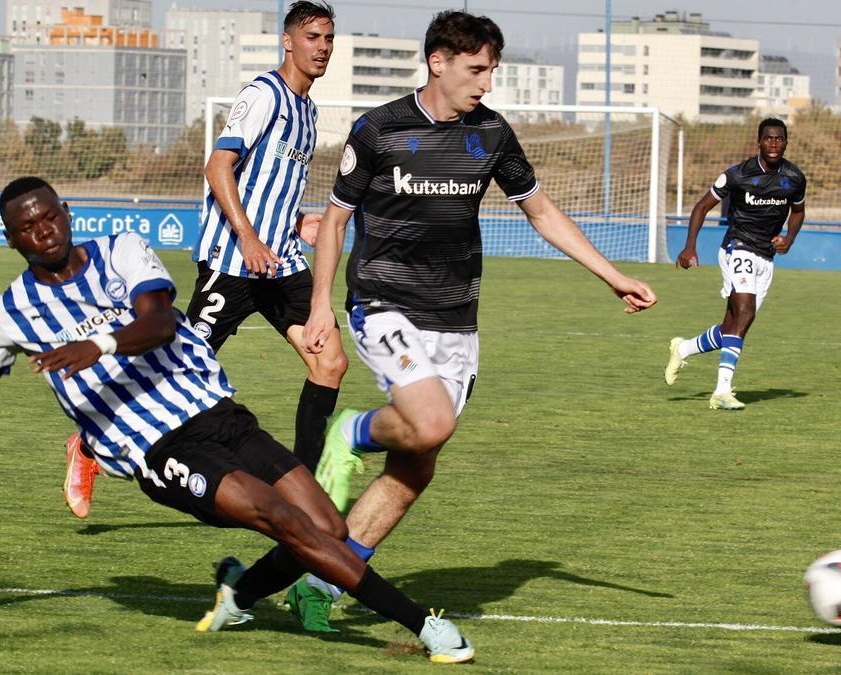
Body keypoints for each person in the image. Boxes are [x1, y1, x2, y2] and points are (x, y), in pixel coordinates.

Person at [0, 177, 474, 665]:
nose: (44, 232)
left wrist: (100, 346)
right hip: (156, 449)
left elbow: (161, 321)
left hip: (216, 413)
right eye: (27, 228)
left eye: (50, 217)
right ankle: (423, 626)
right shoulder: (7, 315)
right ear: (12, 240)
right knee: (282, 519)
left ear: (67, 212)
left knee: (328, 529)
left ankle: (238, 593)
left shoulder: (122, 249)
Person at [286, 10, 658, 631]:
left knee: (416, 466)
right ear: (439, 61)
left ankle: (320, 583)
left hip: (456, 319)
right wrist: (322, 302)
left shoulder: (491, 135)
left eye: (492, 70)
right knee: (428, 425)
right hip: (382, 303)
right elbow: (337, 220)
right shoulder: (378, 129)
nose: (486, 83)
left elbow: (540, 212)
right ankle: (351, 432)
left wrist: (612, 274)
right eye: (477, 69)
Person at [62, 1, 348, 520]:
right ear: (288, 41)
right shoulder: (264, 96)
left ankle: (303, 489)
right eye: (312, 37)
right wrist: (247, 237)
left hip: (279, 262)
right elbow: (219, 166)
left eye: (328, 38)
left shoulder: (308, 112)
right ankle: (87, 446)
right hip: (233, 263)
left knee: (328, 360)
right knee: (168, 371)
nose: (322, 47)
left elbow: (274, 188)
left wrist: (296, 224)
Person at [664, 117, 807, 410]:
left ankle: (684, 347)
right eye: (768, 138)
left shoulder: (794, 178)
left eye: (779, 139)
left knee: (735, 324)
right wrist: (690, 246)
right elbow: (702, 207)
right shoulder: (737, 175)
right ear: (759, 141)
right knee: (745, 312)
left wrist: (789, 239)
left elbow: (798, 211)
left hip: (765, 257)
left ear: (786, 143)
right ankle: (722, 391)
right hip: (736, 248)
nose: (774, 144)